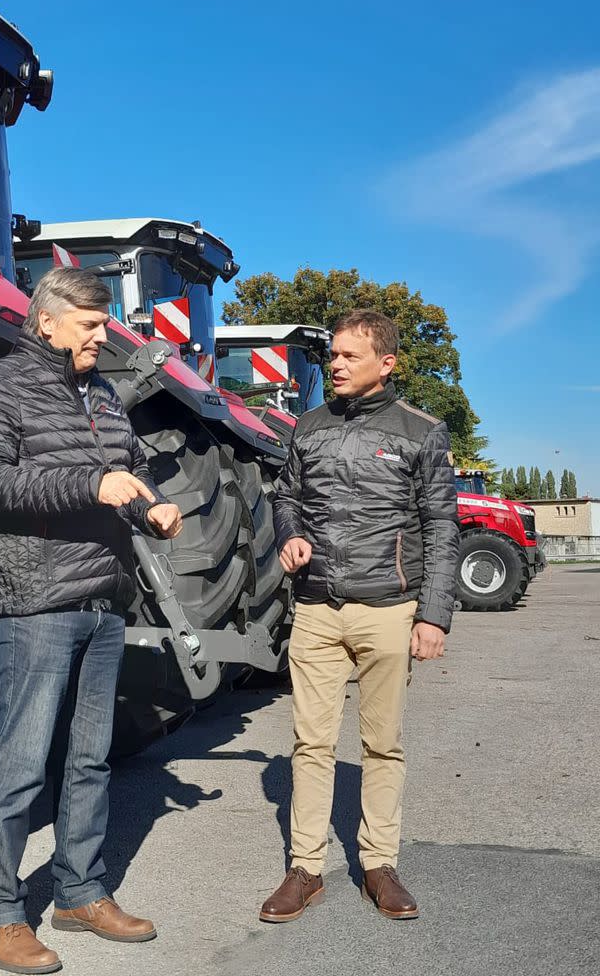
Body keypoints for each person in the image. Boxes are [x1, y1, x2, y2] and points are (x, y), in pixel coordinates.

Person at [0, 268, 183, 974]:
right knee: (21, 762)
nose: (100, 335)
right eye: (88, 324)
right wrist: (89, 482)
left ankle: (79, 892)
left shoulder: (104, 396)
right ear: (47, 321)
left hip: (103, 600)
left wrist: (152, 506)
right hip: (36, 602)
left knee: (90, 758)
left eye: (103, 322)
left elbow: (131, 471)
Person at [261, 309, 459, 923]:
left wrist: (435, 615)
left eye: (349, 356)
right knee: (310, 743)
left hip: (390, 610)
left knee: (382, 744)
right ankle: (305, 869)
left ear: (387, 363)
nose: (336, 365)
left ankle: (378, 864)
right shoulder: (307, 427)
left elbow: (441, 525)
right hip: (317, 609)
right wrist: (289, 534)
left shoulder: (421, 432)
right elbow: (285, 498)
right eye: (333, 356)